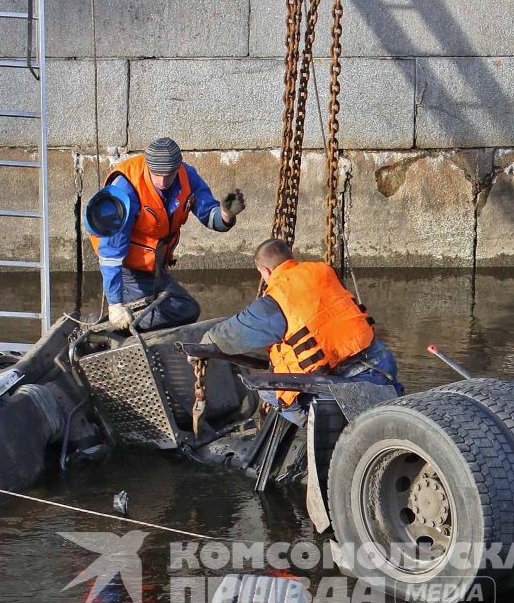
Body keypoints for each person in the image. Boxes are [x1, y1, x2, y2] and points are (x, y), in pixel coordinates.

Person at [201, 237, 400, 407]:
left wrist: (205, 341)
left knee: (269, 392)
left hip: (344, 381)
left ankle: (313, 430)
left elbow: (231, 335)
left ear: (266, 272)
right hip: (381, 361)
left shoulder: (275, 299)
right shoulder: (323, 271)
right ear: (290, 258)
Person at [88, 136, 245, 331]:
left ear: (177, 169)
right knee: (184, 310)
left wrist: (225, 215)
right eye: (157, 175)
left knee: (186, 308)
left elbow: (208, 215)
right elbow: (110, 253)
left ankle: (131, 326)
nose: (163, 181)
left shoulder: (187, 176)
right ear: (148, 167)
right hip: (128, 270)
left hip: (156, 266)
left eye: (169, 175)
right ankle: (114, 330)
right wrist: (114, 304)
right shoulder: (126, 188)